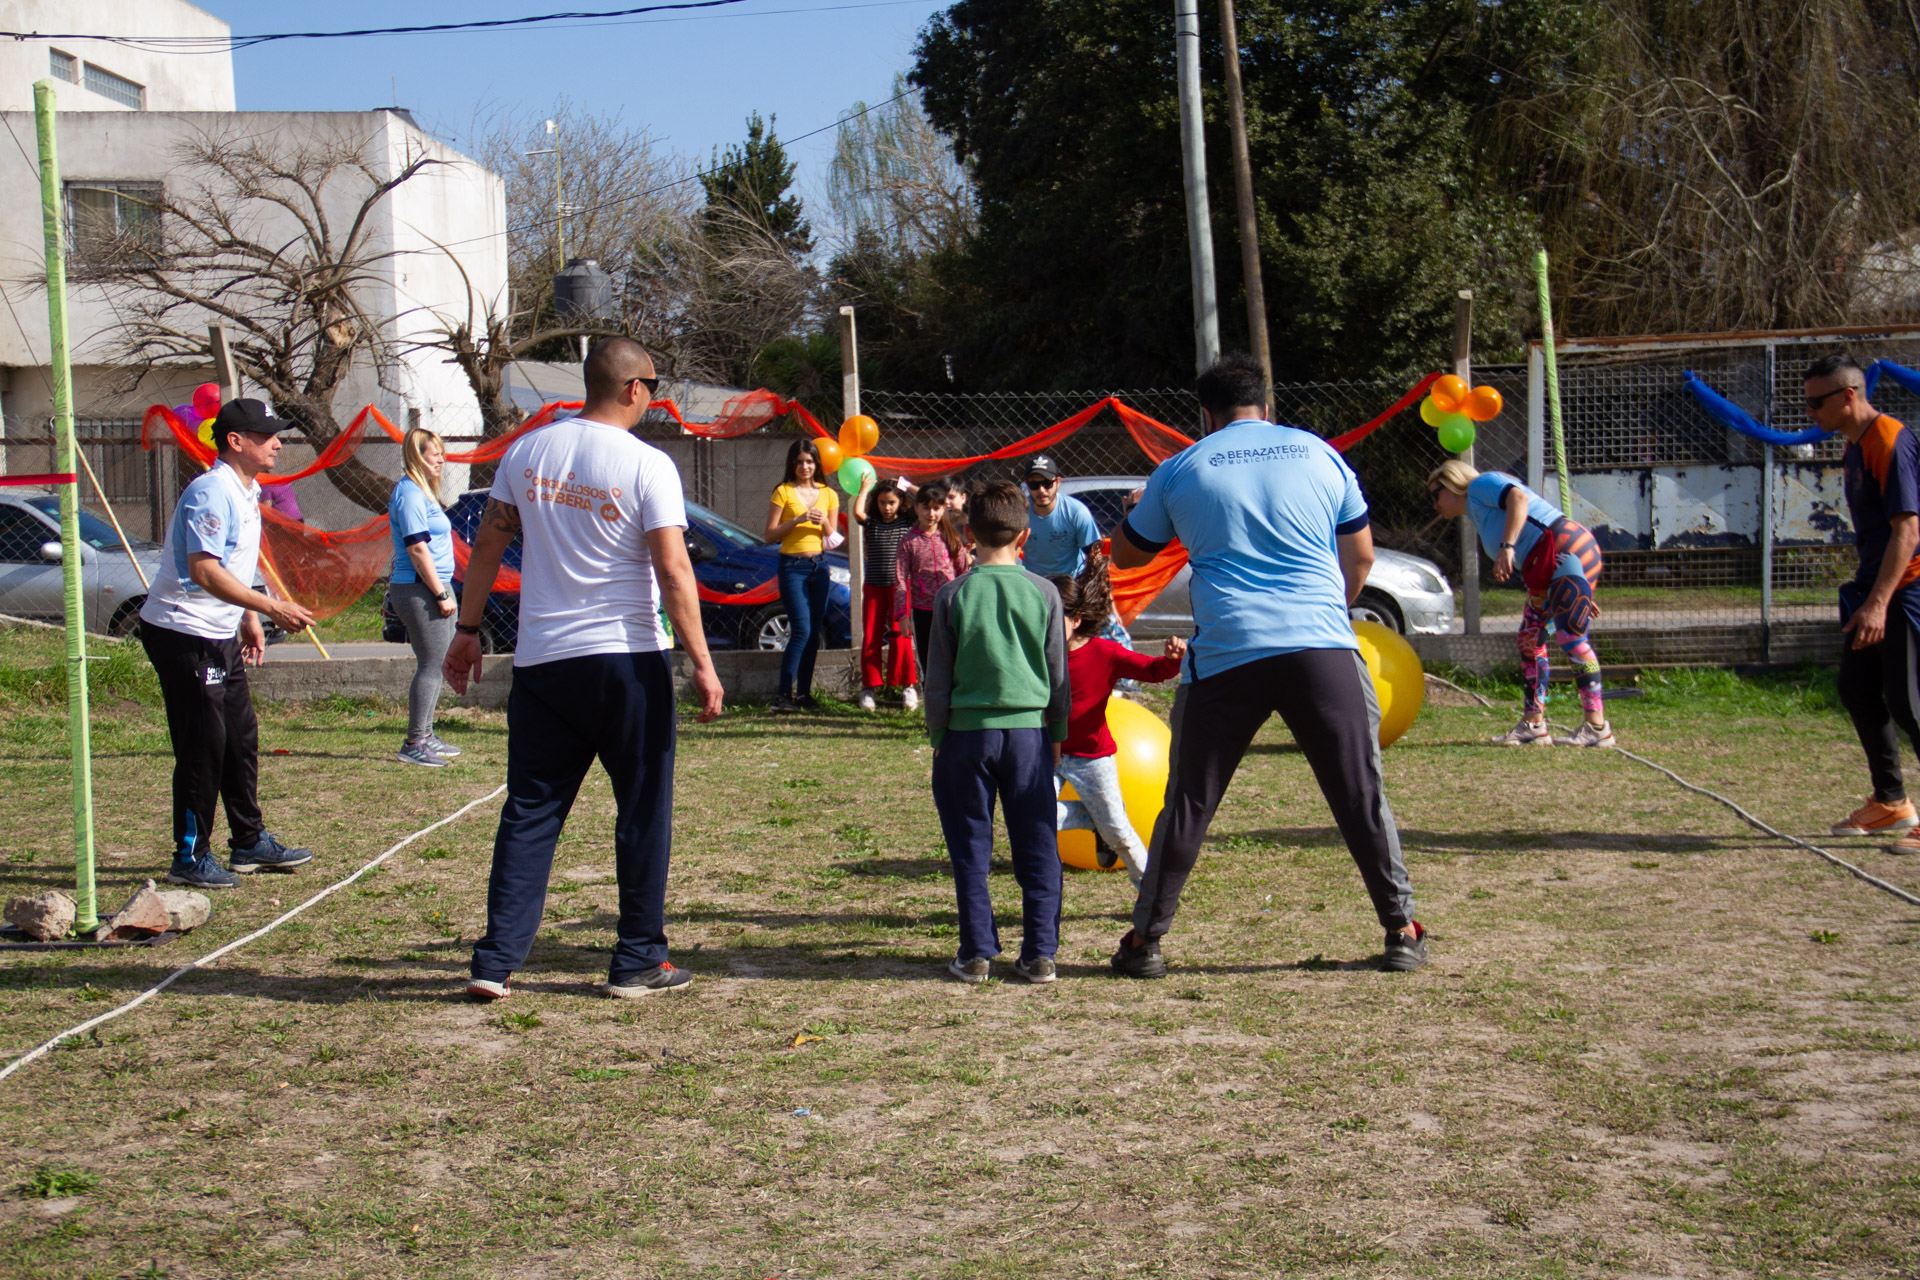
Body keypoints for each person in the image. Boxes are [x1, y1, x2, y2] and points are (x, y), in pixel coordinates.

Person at [1108, 353, 1424, 977]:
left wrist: (1142, 504)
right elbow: (1358, 558)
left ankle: (1146, 942)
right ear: (1266, 406)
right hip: (1322, 647)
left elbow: (1123, 552)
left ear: (1205, 414)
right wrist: (1320, 615)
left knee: (1189, 803)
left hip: (1227, 652)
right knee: (1360, 792)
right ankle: (1401, 929)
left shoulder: (1181, 469)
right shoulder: (1319, 453)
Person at [444, 337, 725, 1001]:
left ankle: (495, 961)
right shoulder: (645, 464)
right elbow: (674, 569)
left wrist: (467, 629)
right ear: (633, 388)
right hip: (627, 662)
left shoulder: (526, 451)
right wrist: (704, 665)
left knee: (531, 810)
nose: (654, 395)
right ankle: (636, 960)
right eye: (653, 383)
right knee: (642, 811)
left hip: (544, 664)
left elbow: (489, 542)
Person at [138, 398, 317, 890]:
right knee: (203, 745)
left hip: (219, 630)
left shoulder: (248, 489)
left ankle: (248, 840)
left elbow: (236, 562)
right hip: (184, 632)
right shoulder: (211, 492)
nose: (277, 442)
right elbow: (204, 571)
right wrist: (269, 608)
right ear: (235, 442)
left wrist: (246, 617)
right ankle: (190, 856)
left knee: (240, 735)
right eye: (266, 436)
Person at [924, 479, 1072, 984]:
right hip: (1030, 737)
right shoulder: (1046, 592)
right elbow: (1059, 675)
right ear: (1025, 536)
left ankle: (976, 953)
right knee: (1038, 845)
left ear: (969, 532)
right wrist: (1057, 733)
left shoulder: (953, 594)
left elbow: (937, 679)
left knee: (971, 848)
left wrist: (939, 737)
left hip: (967, 738)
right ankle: (1040, 954)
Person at [1804, 354, 1920, 847]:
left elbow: (1908, 529)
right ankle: (1891, 802)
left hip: (1907, 590)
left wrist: (1878, 603)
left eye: (1816, 402)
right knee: (1857, 688)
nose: (1810, 413)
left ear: (1848, 396)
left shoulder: (1890, 442)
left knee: (1911, 705)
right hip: (1873, 587)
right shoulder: (1854, 447)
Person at [1427, 461, 1612, 748]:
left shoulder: (1480, 485)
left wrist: (1507, 547)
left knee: (1573, 639)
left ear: (1451, 484)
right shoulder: (1477, 512)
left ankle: (1597, 727)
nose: (1435, 506)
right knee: (1530, 639)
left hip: (1565, 551)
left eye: (1435, 496)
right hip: (1553, 565)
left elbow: (1518, 498)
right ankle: (1533, 725)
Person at [1050, 550, 1185, 886]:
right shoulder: (1038, 654)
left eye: (1052, 618)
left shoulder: (1104, 653)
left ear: (1076, 619)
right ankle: (1089, 819)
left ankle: (1152, 895)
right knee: (1032, 815)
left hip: (1092, 757)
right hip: (1049, 754)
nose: (1044, 626)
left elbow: (1152, 671)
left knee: (1119, 833)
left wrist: (1171, 660)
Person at [386, 427, 461, 767]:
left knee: (438, 662)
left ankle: (427, 734)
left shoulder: (423, 492)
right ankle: (414, 741)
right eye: (435, 455)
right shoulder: (410, 494)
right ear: (418, 456)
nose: (441, 460)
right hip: (419, 589)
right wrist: (440, 593)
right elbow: (417, 548)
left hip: (434, 586)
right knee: (431, 664)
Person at [763, 439, 839, 713]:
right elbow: (769, 534)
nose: (805, 466)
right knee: (802, 629)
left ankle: (803, 695)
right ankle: (783, 695)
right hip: (792, 567)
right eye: (799, 462)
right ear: (792, 465)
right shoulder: (783, 492)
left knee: (813, 630)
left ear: (817, 463)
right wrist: (796, 520)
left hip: (819, 567)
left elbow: (833, 537)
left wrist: (825, 522)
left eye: (809, 461)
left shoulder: (829, 493)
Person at [852, 471, 918, 711]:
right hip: (874, 587)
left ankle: (907, 685)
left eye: (891, 502)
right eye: (882, 502)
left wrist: (907, 485)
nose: (887, 507)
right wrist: (864, 489)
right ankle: (869, 688)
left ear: (900, 502)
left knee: (902, 636)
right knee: (871, 636)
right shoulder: (872, 521)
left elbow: (926, 500)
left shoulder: (907, 521)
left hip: (900, 588)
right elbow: (858, 512)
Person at [896, 481, 971, 676]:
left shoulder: (951, 537)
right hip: (923, 611)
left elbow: (963, 572)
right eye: (926, 508)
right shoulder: (908, 542)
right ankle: (933, 701)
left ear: (943, 509)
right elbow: (900, 578)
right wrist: (902, 616)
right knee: (929, 662)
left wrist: (964, 604)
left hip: (951, 609)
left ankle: (955, 703)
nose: (931, 514)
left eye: (936, 508)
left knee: (955, 660)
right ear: (916, 508)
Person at [1021, 454, 1101, 579]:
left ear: (1058, 482)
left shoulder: (1077, 512)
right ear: (1026, 484)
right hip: (1033, 584)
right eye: (1034, 484)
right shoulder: (1019, 512)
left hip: (1070, 584)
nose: (1041, 490)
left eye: (1047, 483)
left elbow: (1095, 556)